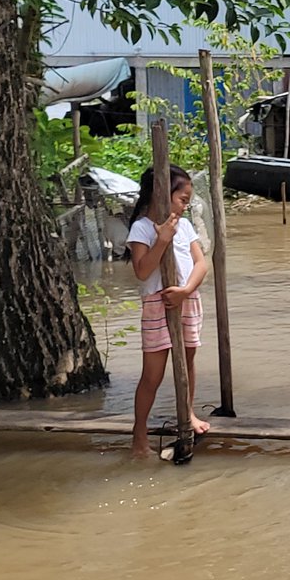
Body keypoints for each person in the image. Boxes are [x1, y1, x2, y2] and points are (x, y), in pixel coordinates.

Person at [127, 164, 211, 455]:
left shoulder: (184, 226)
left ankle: (187, 413)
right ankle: (139, 435)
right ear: (161, 194)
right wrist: (162, 239)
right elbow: (142, 271)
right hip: (157, 302)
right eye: (182, 200)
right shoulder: (142, 227)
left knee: (187, 361)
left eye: (188, 201)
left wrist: (186, 290)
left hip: (187, 299)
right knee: (152, 373)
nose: (185, 207)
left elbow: (201, 264)